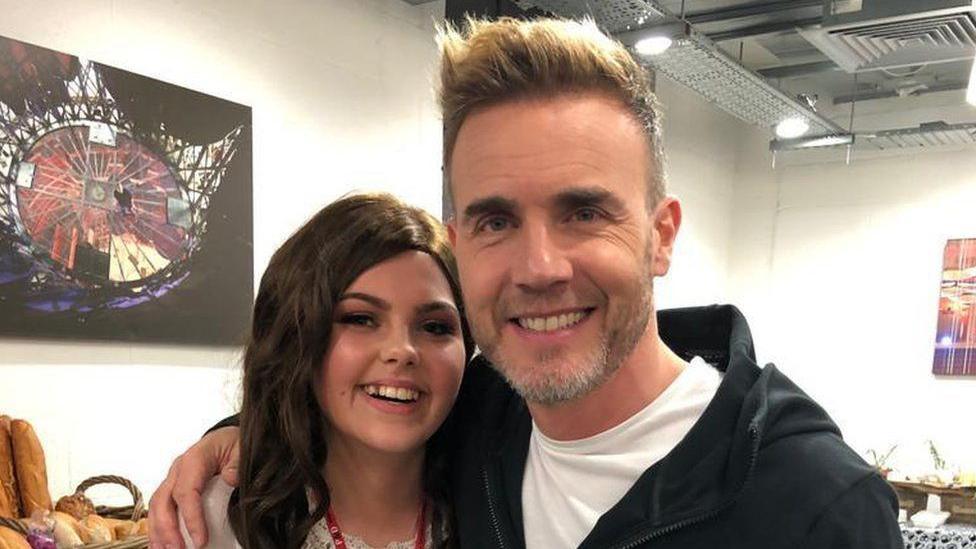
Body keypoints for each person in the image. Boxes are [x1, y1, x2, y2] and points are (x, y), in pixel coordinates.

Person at [150, 17, 903, 549]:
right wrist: (233, 440)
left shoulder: (812, 504)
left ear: (661, 234)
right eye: (496, 220)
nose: (540, 268)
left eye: (583, 211)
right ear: (459, 243)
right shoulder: (478, 420)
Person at [165, 193, 473, 548]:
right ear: (296, 337)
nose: (402, 351)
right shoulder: (217, 520)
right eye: (360, 319)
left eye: (435, 327)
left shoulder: (499, 504)